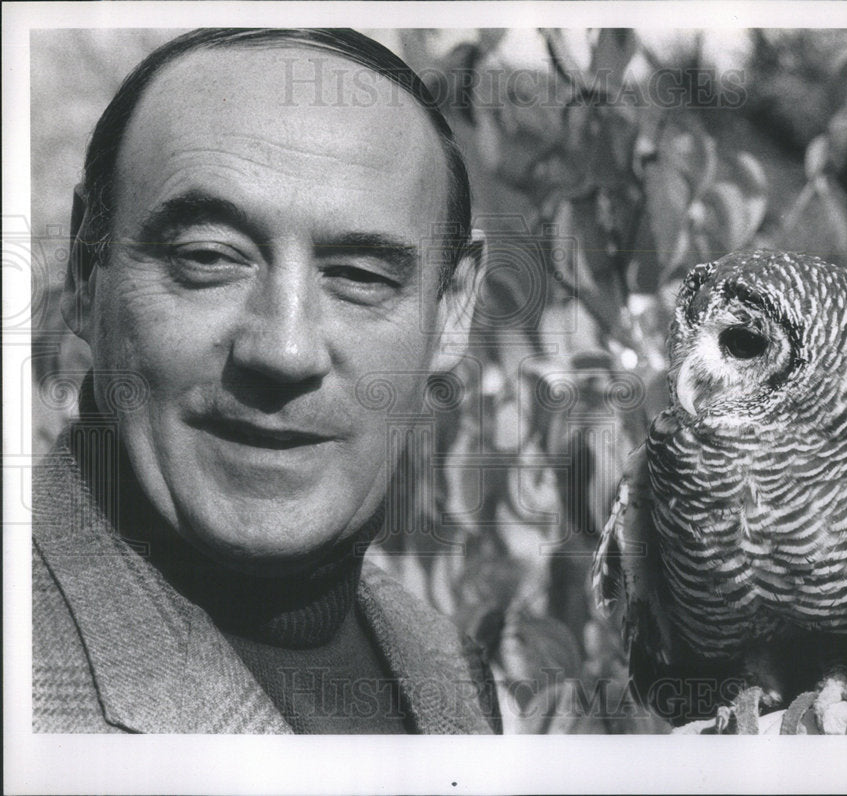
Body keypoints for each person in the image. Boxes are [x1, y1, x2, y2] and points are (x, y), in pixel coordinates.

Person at [32, 28, 499, 734]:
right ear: (83, 267)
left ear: (453, 307)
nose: (283, 350)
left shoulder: (449, 671)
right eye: (210, 258)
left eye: (360, 277)